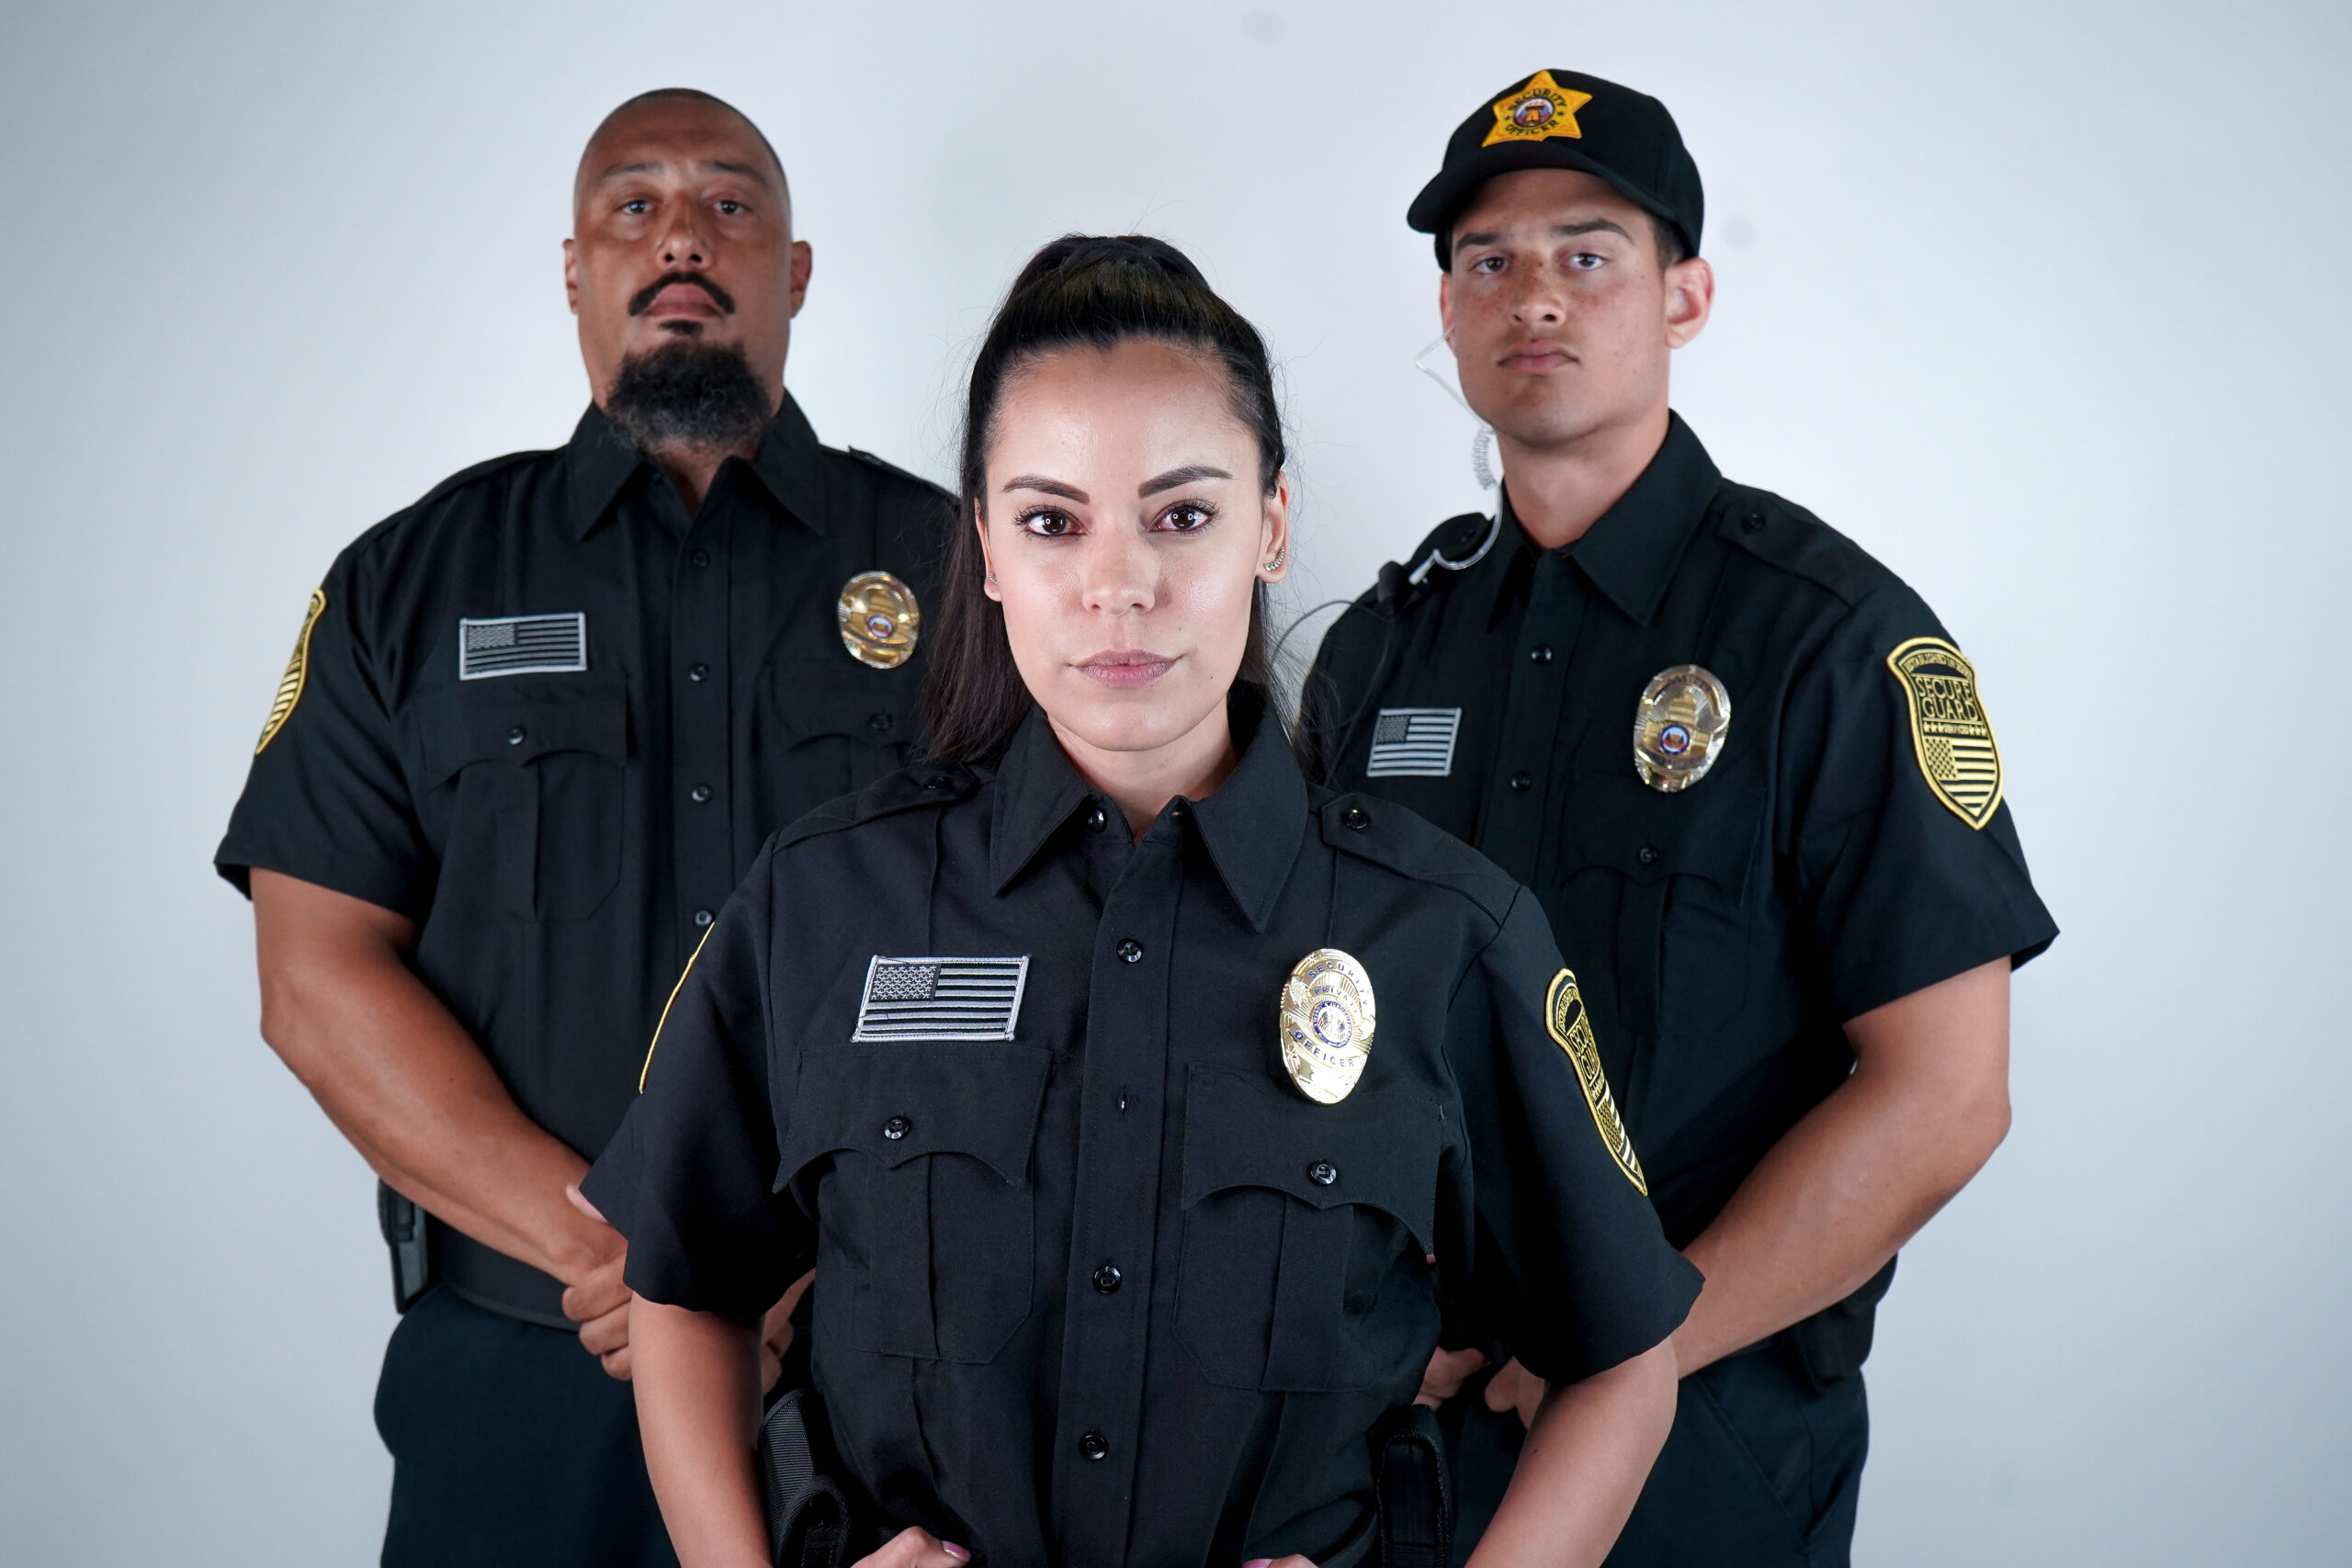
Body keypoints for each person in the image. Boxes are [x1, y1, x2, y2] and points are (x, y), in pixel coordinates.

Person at [580, 234, 1701, 1568]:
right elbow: (685, 1291)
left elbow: (1622, 1358)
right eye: (1053, 523)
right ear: (985, 547)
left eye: (1181, 516)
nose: (1119, 584)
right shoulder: (822, 902)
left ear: (1270, 524)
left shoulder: (1444, 934)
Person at [1300, 70, 2060, 1567]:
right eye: (1488, 261)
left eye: (1588, 254)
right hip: (1399, 1422)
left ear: (1685, 296)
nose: (1535, 295)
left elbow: (1946, 1094)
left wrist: (1643, 1346)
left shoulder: (1826, 642)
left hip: (1707, 1434)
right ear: (1446, 309)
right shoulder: (1382, 653)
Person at [213, 88, 951, 1567]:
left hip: (892, 1371)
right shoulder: (411, 582)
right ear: (574, 269)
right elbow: (315, 975)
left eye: (730, 204)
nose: (681, 237)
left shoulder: (962, 568)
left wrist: (822, 1265)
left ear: (796, 269)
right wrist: (622, 1258)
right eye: (634, 205)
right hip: (526, 1378)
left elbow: (1065, 937)